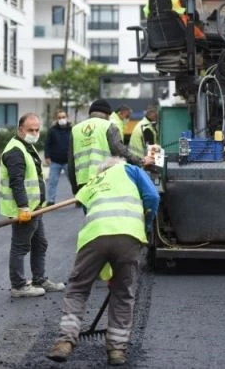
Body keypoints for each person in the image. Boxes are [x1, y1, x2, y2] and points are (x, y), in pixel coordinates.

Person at [47, 157, 160, 366]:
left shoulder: (94, 182)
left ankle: (65, 341)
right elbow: (152, 196)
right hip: (129, 236)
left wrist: (106, 272)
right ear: (118, 163)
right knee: (123, 293)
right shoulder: (132, 170)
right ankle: (117, 350)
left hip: (94, 236)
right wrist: (146, 226)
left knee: (78, 289)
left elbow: (94, 220)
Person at [0, 112, 66, 298]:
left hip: (36, 207)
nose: (35, 133)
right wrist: (23, 207)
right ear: (20, 129)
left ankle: (39, 279)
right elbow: (17, 182)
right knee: (20, 246)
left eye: (37, 130)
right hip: (25, 210)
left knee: (40, 243)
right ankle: (19, 285)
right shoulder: (15, 151)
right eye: (30, 130)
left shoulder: (27, 146)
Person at [68, 99, 154, 193]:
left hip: (83, 182)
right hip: (103, 179)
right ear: (107, 114)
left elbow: (71, 162)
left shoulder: (75, 129)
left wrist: (75, 188)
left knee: (90, 208)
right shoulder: (108, 126)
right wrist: (141, 161)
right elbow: (120, 151)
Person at [44, 110, 72, 205]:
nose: (61, 119)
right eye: (59, 117)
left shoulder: (72, 130)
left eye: (63, 117)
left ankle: (78, 199)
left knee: (74, 181)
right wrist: (47, 156)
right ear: (56, 119)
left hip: (68, 161)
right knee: (52, 182)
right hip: (55, 161)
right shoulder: (52, 131)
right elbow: (47, 144)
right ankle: (51, 201)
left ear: (67, 118)